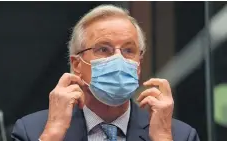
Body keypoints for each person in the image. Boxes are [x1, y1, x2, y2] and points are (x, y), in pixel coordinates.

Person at [11, 5, 200, 141]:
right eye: (103, 49)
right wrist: (53, 134)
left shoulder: (180, 135)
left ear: (139, 64)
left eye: (128, 50)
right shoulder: (32, 131)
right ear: (77, 64)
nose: (118, 60)